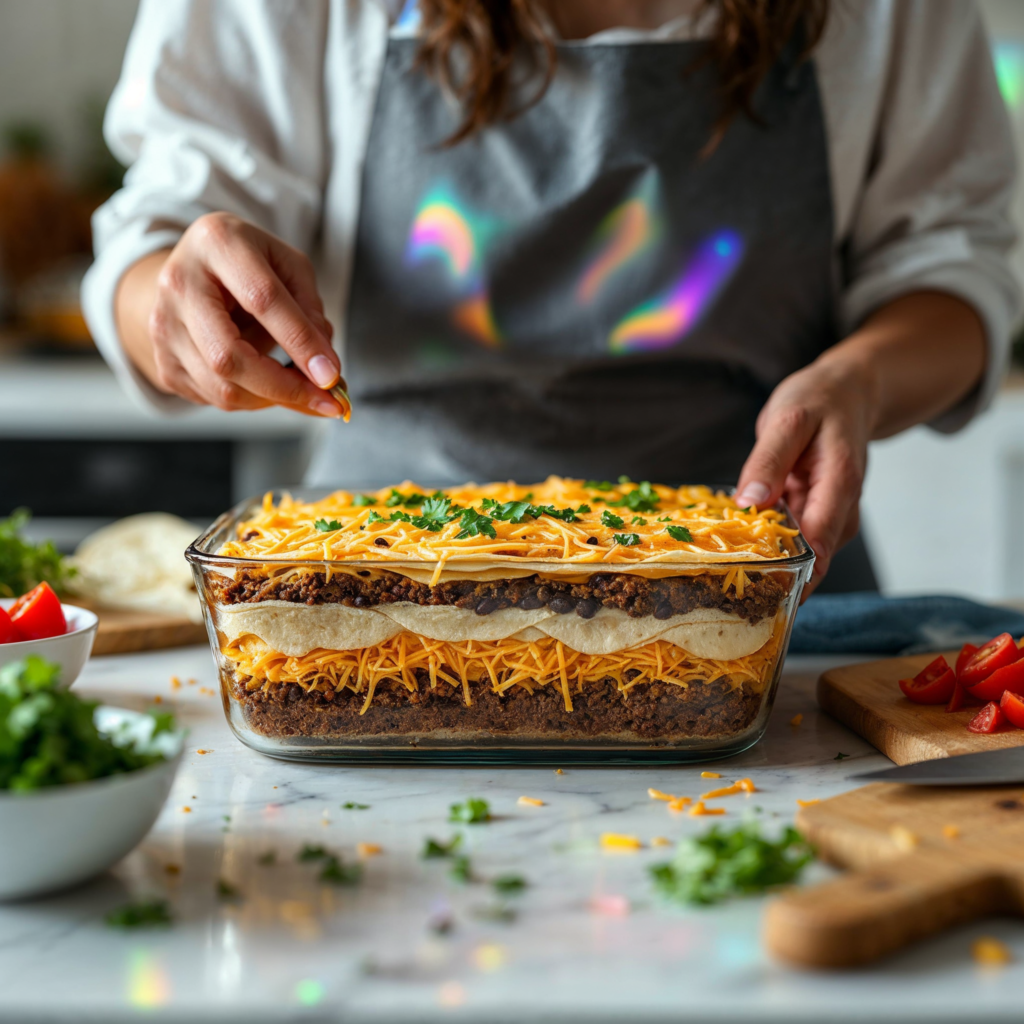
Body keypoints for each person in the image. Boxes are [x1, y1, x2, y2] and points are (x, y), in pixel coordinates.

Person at [83, 0, 1019, 594]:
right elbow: (159, 242)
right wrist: (172, 294)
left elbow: (957, 262)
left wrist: (860, 377)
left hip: (752, 583)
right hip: (375, 584)